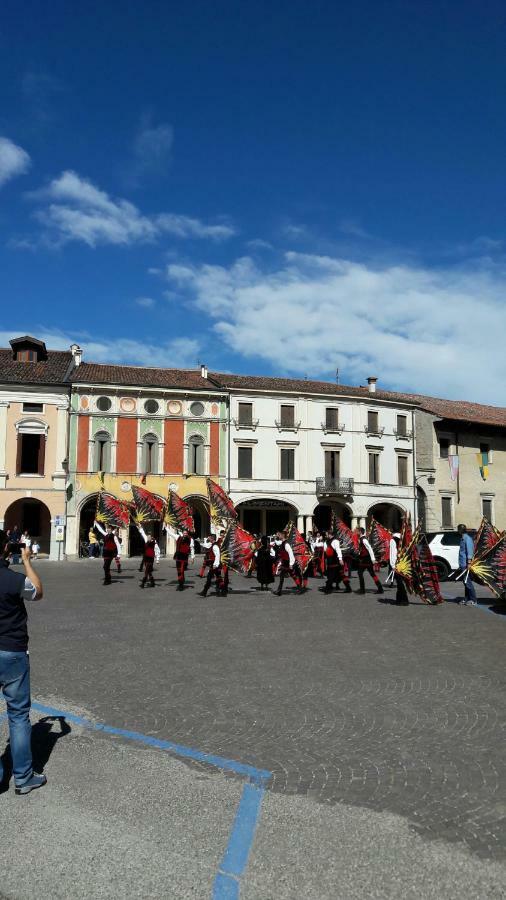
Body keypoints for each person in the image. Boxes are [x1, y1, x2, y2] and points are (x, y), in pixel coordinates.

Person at [0, 531, 46, 795]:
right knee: (18, 716)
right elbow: (37, 592)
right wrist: (27, 561)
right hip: (12, 652)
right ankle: (23, 778)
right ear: (7, 549)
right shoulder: (14, 580)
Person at [354, 527, 384, 595]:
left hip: (366, 559)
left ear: (360, 532)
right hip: (364, 559)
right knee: (371, 574)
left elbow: (370, 549)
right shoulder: (361, 539)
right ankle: (380, 588)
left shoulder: (364, 539)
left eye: (357, 531)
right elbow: (362, 549)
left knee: (361, 573)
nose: (356, 532)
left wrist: (373, 559)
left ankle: (363, 590)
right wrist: (359, 552)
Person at [273, 531, 302, 596]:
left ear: (283, 535)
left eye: (280, 535)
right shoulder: (283, 543)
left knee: (292, 575)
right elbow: (277, 543)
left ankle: (300, 587)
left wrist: (291, 564)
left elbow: (291, 554)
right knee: (283, 576)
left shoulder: (286, 544)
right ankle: (279, 591)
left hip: (288, 563)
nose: (278, 536)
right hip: (284, 562)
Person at [94, 521, 121, 586]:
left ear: (111, 530)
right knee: (106, 567)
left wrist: (118, 554)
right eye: (107, 529)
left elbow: (118, 544)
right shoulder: (105, 534)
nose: (108, 530)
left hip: (111, 553)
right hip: (105, 553)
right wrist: (96, 523)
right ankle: (108, 579)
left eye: (109, 529)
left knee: (105, 566)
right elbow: (100, 530)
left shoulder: (113, 536)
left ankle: (107, 580)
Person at [458, 524, 477, 606]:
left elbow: (470, 552)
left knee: (468, 582)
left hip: (466, 564)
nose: (458, 531)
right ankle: (466, 599)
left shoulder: (467, 539)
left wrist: (469, 563)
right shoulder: (462, 538)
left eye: (459, 529)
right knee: (465, 582)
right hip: (462, 564)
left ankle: (473, 600)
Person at [389, 532, 409, 605]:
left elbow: (392, 553)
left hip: (397, 564)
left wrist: (393, 566)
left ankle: (404, 600)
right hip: (404, 563)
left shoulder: (393, 540)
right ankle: (398, 599)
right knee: (399, 582)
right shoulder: (403, 539)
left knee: (399, 583)